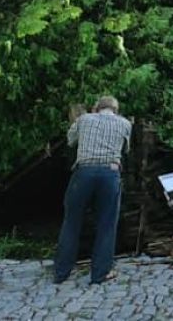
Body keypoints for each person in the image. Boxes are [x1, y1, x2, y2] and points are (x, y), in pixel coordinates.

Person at [53, 95, 132, 285]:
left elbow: (70, 140)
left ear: (96, 108)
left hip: (84, 172)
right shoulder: (125, 123)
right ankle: (100, 274)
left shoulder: (84, 119)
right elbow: (126, 150)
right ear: (115, 109)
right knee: (106, 224)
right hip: (110, 173)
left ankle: (61, 272)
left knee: (71, 221)